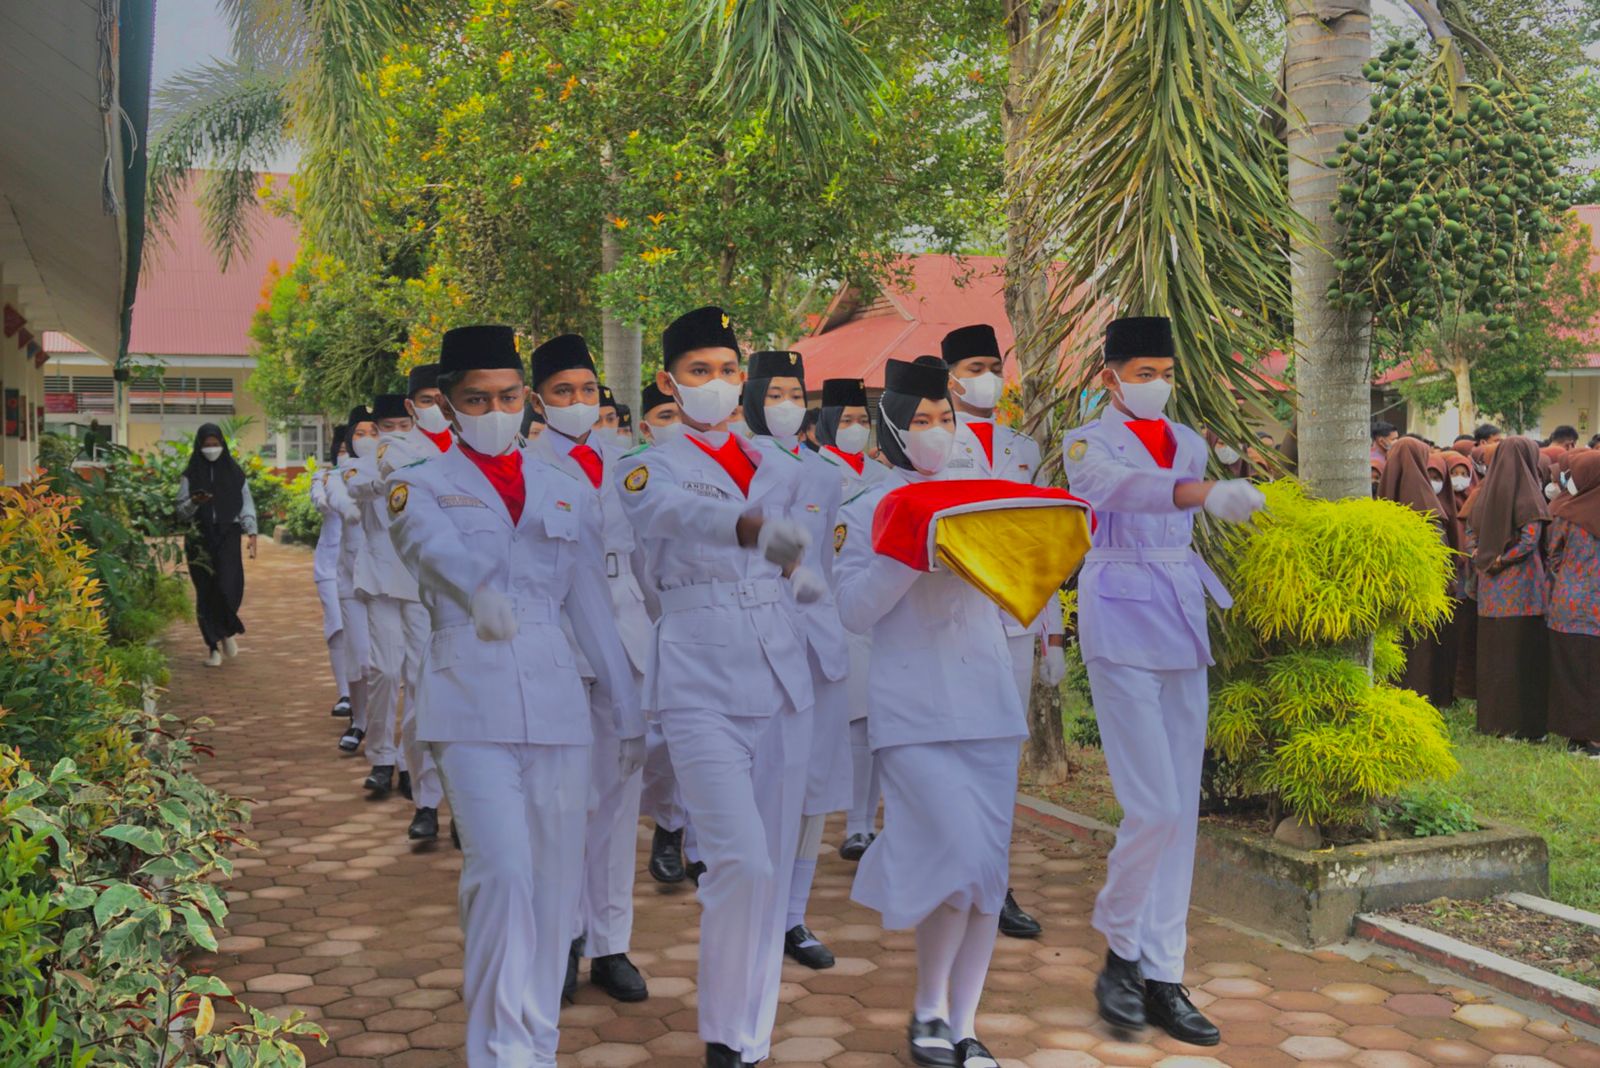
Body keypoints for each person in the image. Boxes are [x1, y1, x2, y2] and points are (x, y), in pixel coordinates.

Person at [390, 323, 643, 1068]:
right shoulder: (420, 483)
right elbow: (427, 548)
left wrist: (627, 709)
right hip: (469, 694)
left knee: (554, 884)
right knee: (501, 872)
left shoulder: (565, 486)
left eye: (507, 397)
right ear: (448, 404)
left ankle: (538, 1046)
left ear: (525, 397)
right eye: (477, 399)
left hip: (557, 698)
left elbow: (590, 605)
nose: (495, 411)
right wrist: (476, 591)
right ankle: (499, 1051)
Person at [613, 305, 816, 1068]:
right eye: (699, 371)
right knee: (741, 864)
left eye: (729, 370)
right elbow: (670, 514)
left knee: (772, 871)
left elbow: (797, 564)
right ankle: (726, 1035)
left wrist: (805, 581)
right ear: (669, 381)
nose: (717, 383)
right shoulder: (646, 463)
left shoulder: (781, 464)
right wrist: (747, 527)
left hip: (781, 672)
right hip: (699, 678)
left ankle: (749, 1036)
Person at [1063, 315, 1264, 1046]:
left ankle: (1163, 976)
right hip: (1120, 618)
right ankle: (1120, 955)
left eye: (1165, 372)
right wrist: (1199, 494)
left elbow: (1185, 495)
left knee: (1179, 810)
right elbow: (1116, 489)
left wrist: (1221, 491)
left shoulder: (1187, 441)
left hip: (1180, 618)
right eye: (1142, 373)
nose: (1156, 384)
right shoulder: (1085, 442)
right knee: (1150, 806)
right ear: (1110, 377)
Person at [834, 355, 1022, 1068]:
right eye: (920, 419)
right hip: (913, 711)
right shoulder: (864, 505)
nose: (937, 430)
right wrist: (909, 554)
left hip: (989, 704)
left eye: (945, 417)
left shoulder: (979, 498)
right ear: (891, 428)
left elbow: (1014, 587)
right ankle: (926, 1007)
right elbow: (853, 609)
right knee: (955, 855)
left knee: (987, 875)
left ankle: (961, 1024)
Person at [524, 333, 653, 1003]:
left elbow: (647, 558)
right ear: (537, 400)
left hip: (627, 632)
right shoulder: (525, 466)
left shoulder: (626, 461)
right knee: (562, 802)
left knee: (619, 801)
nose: (577, 401)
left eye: (586, 389)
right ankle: (563, 938)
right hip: (563, 639)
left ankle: (611, 943)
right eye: (562, 391)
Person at [937, 324, 1058, 940]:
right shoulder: (933, 445)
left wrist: (1052, 632)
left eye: (994, 365)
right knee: (957, 750)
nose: (988, 377)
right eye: (975, 367)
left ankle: (996, 882)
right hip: (952, 618)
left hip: (1013, 618)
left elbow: (1041, 542)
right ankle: (952, 873)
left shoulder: (1022, 448)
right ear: (951, 378)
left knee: (1002, 756)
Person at [739, 350, 851, 971]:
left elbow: (828, 564)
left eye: (794, 394)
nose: (785, 405)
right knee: (758, 783)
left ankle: (793, 917)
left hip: (816, 642)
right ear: (751, 399)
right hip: (753, 642)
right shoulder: (735, 463)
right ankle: (752, 908)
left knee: (812, 786)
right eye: (773, 393)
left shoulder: (827, 474)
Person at [814, 378, 887, 860]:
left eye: (863, 419)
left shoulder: (882, 475)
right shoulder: (816, 470)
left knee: (875, 721)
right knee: (851, 723)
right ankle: (847, 822)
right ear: (826, 424)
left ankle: (865, 824)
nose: (857, 427)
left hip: (877, 604)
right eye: (846, 420)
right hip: (827, 604)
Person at [344, 393, 426, 804]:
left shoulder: (428, 458)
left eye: (403, 425)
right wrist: (385, 479)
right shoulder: (362, 462)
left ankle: (412, 762)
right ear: (375, 430)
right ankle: (380, 756)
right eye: (387, 427)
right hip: (379, 575)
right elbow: (354, 488)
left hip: (418, 577)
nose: (396, 433)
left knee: (418, 674)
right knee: (386, 669)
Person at [629, 380, 695, 885]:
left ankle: (695, 841)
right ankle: (669, 825)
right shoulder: (636, 477)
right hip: (653, 620)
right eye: (664, 417)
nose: (675, 425)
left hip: (717, 625)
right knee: (663, 742)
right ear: (645, 428)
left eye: (680, 415)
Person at [1460, 436, 1550, 740]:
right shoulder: (1530, 496)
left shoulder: (1481, 494)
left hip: (1490, 592)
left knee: (1494, 656)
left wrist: (1482, 557)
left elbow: (1469, 534)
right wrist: (1503, 559)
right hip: (1524, 592)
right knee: (1521, 656)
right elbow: (1530, 540)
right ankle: (1522, 725)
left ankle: (1494, 722)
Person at [1377, 439, 1458, 708]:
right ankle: (1421, 697)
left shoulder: (1383, 501)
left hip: (1388, 591)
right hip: (1420, 592)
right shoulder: (1426, 502)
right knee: (1420, 649)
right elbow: (1441, 553)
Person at [176, 423, 257, 667]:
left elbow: (246, 503)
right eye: (206, 445)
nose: (211, 449)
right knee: (206, 591)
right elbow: (180, 511)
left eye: (215, 444)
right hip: (200, 537)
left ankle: (225, 631)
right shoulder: (190, 474)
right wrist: (194, 501)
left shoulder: (235, 473)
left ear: (222, 444)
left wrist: (252, 532)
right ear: (199, 446)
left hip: (228, 535)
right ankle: (212, 647)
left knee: (229, 586)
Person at [1546, 451, 1600, 755]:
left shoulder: (1567, 514)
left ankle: (1576, 736)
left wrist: (1570, 576)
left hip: (1569, 604)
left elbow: (1553, 554)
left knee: (1572, 669)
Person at [331, 409, 377, 754]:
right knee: (360, 656)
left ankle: (384, 729)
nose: (367, 439)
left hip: (389, 582)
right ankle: (359, 721)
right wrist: (349, 507)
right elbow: (335, 494)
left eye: (374, 432)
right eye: (359, 433)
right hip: (351, 581)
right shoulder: (339, 474)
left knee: (388, 665)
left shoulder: (397, 472)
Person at [311, 426, 352, 718]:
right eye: (340, 450)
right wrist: (327, 496)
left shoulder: (377, 476)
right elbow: (319, 500)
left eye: (348, 449)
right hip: (329, 565)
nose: (344, 455)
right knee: (337, 628)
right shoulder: (324, 477)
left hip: (364, 566)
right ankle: (345, 694)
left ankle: (366, 690)